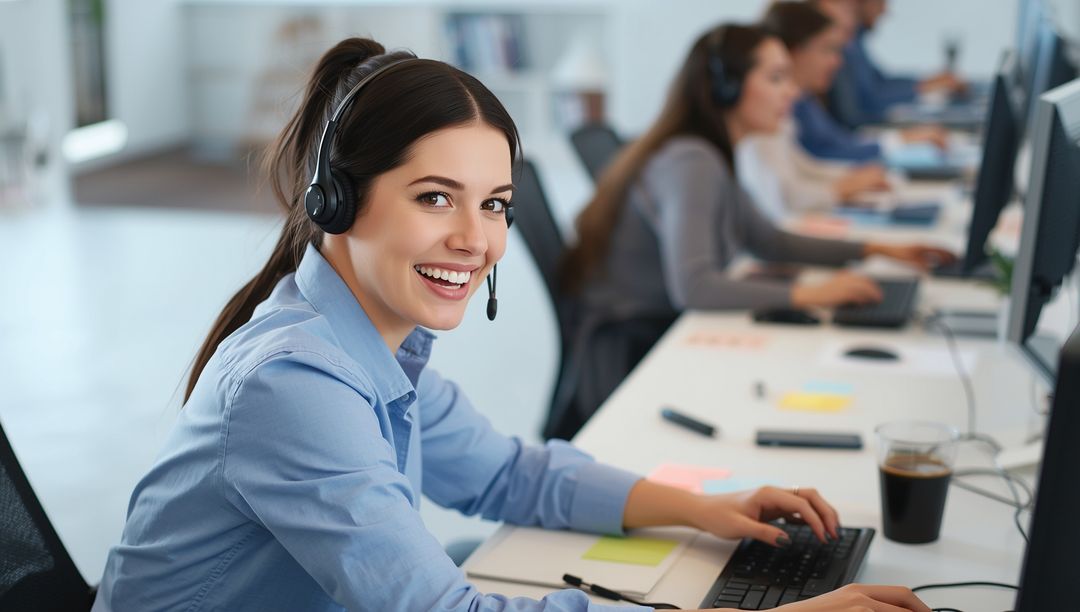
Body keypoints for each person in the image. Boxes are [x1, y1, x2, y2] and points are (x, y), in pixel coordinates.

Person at [88, 38, 931, 612]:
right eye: (434, 198)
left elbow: (512, 477)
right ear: (337, 203)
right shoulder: (293, 382)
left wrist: (710, 509)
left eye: (493, 204)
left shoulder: (378, 345)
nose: (475, 238)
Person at [554, 21, 954, 441]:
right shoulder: (692, 162)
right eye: (776, 78)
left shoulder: (711, 153)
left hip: (661, 332)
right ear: (728, 88)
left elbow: (768, 240)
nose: (793, 92)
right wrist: (808, 294)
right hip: (632, 349)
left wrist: (877, 248)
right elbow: (695, 287)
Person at [764, 2, 948, 164]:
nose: (838, 61)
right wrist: (899, 140)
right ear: (795, 51)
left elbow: (833, 143)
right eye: (827, 50)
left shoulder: (805, 100)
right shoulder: (792, 103)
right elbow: (828, 146)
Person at [826, 0, 967, 129]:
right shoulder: (844, 46)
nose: (885, 11)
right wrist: (923, 87)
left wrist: (928, 83)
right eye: (880, 2)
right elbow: (867, 102)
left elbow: (879, 81)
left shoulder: (855, 42)